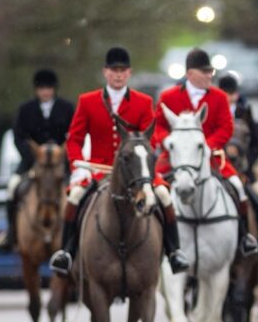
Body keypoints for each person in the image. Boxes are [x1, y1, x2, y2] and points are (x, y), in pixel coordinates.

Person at [49, 47, 189, 276]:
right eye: (114, 70)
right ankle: (67, 252)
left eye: (122, 70)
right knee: (74, 197)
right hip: (97, 169)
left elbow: (150, 139)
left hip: (135, 172)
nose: (118, 75)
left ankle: (174, 252)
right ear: (105, 72)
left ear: (129, 73)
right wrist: (78, 165)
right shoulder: (87, 101)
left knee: (164, 195)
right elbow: (74, 139)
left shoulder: (143, 102)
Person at [152, 48, 258, 257]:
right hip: (174, 158)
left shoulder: (218, 97)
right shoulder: (168, 96)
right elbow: (159, 127)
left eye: (211, 71)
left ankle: (244, 237)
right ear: (190, 73)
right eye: (205, 72)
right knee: (153, 190)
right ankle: (155, 238)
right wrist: (169, 142)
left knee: (238, 187)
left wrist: (206, 146)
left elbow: (226, 128)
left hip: (211, 157)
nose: (210, 75)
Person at [0, 68, 75, 251]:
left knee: (79, 192)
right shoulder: (25, 109)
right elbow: (18, 136)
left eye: (48, 88)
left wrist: (62, 154)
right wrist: (33, 156)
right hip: (32, 162)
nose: (45, 92)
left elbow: (74, 135)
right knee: (12, 189)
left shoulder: (67, 108)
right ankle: (11, 233)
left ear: (54, 89)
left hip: (61, 164)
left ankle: (76, 234)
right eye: (42, 88)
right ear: (36, 90)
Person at [218, 72, 258, 175]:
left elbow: (255, 141)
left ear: (236, 95)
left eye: (231, 93)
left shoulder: (244, 112)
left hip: (241, 165)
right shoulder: (215, 112)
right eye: (225, 93)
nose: (228, 97)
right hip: (219, 163)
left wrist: (247, 161)